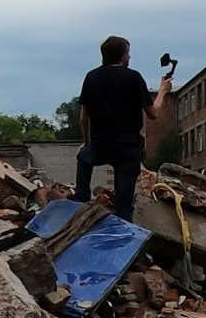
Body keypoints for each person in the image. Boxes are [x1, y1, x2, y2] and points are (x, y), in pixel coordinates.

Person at [73, 35, 170, 221]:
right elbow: (153, 113)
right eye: (128, 53)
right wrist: (163, 90)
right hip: (127, 146)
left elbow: (84, 117)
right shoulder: (133, 77)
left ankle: (81, 201)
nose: (130, 57)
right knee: (124, 207)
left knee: (83, 159)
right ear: (122, 56)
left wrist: (86, 143)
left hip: (101, 144)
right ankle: (124, 239)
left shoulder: (91, 77)